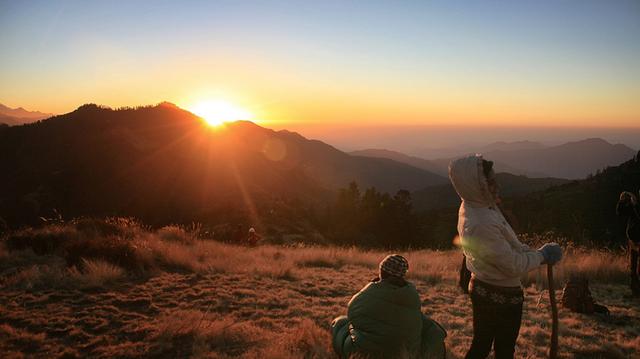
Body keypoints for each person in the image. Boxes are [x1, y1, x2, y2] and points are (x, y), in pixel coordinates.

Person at [448, 155, 562, 359]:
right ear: (477, 185)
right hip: (500, 295)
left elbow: (509, 245)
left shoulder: (475, 206)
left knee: (481, 344)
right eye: (489, 181)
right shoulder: (481, 221)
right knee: (503, 349)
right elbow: (511, 265)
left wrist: (532, 252)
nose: (496, 184)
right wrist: (542, 256)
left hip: (483, 287)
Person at [331, 254, 447, 359]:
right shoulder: (411, 295)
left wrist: (372, 286)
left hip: (364, 354)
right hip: (404, 354)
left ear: (381, 272)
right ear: (402, 276)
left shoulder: (365, 296)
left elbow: (352, 313)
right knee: (428, 326)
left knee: (340, 323)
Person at [616, 191, 640, 296]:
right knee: (633, 267)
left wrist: (635, 205)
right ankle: (635, 290)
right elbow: (620, 212)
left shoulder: (635, 206)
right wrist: (621, 201)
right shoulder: (633, 205)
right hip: (633, 240)